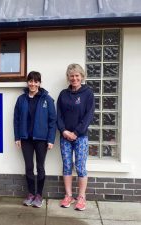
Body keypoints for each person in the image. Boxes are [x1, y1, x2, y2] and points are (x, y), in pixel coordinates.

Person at [14, 71, 56, 208]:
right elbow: (16, 119)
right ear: (28, 82)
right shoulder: (21, 99)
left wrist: (51, 139)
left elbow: (52, 121)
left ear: (39, 83)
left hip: (41, 139)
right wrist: (17, 137)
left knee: (40, 167)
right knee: (29, 167)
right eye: (30, 81)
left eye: (35, 81)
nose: (33, 84)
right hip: (26, 139)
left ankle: (39, 195)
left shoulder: (47, 99)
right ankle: (31, 193)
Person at [57, 63, 95, 211]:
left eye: (77, 75)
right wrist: (64, 131)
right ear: (68, 77)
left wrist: (76, 133)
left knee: (80, 167)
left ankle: (81, 197)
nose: (74, 78)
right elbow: (58, 115)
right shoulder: (63, 94)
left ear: (82, 76)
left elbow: (89, 115)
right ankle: (68, 196)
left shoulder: (88, 93)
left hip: (81, 137)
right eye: (71, 76)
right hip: (65, 136)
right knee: (67, 165)